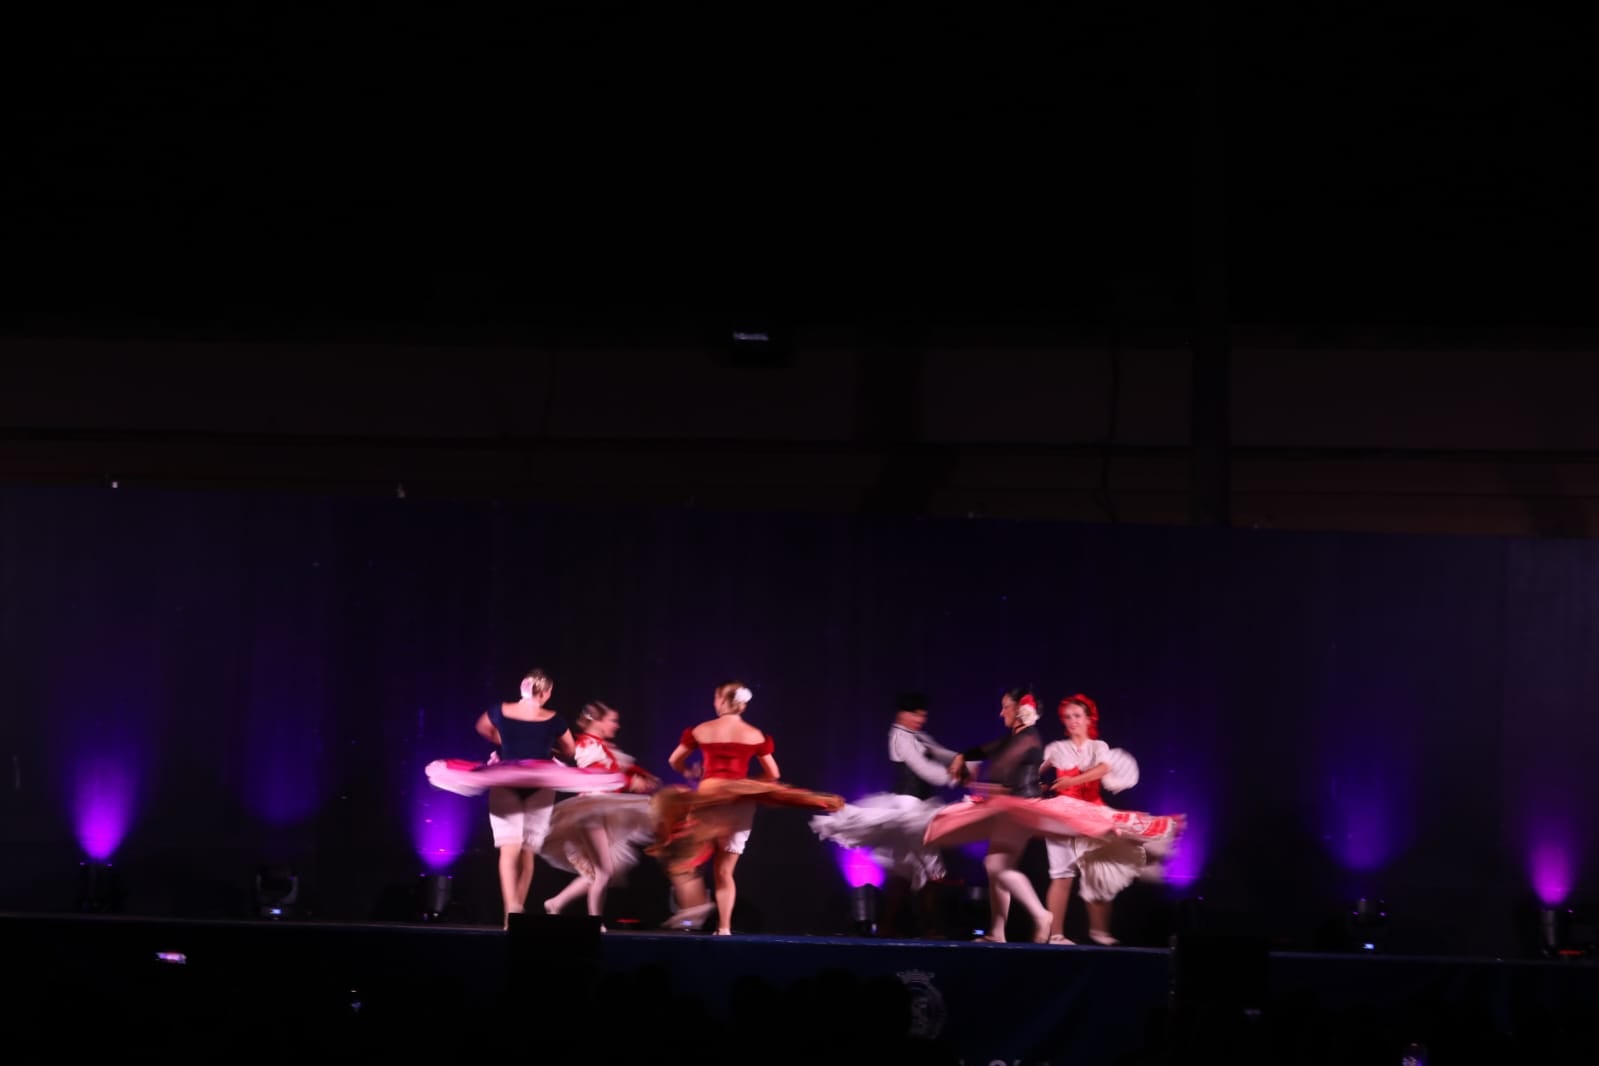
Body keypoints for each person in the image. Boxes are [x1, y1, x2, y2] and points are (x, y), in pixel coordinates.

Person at [653, 680, 843, 935]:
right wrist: (747, 786)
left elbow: (674, 760)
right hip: (739, 805)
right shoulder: (755, 734)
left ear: (722, 700)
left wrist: (689, 772)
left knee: (687, 859)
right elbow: (773, 774)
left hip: (708, 799)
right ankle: (724, 927)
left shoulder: (702, 730)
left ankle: (691, 914)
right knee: (724, 871)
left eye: (715, 698)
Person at [809, 691, 959, 936]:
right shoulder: (899, 736)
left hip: (921, 807)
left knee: (905, 871)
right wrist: (953, 777)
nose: (920, 720)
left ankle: (891, 926)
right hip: (909, 809)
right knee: (932, 869)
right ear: (902, 714)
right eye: (915, 715)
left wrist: (965, 761)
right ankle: (929, 928)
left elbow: (943, 753)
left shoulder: (919, 736)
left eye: (923, 716)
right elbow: (922, 768)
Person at [940, 688, 1054, 943]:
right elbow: (985, 750)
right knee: (997, 868)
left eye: (1006, 707)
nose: (1001, 713)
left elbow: (1004, 780)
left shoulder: (1027, 739)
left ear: (1021, 710)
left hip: (1020, 809)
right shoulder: (1016, 737)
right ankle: (997, 932)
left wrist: (975, 786)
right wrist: (962, 756)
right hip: (1014, 808)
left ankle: (1041, 914)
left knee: (995, 865)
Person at [539, 701, 660, 926]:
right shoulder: (587, 745)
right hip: (591, 811)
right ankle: (595, 924)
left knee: (601, 872)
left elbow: (620, 768)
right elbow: (598, 775)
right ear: (597, 721)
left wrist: (641, 777)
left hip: (600, 810)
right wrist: (629, 781)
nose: (616, 725)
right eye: (612, 720)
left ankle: (556, 903)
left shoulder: (601, 746)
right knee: (603, 872)